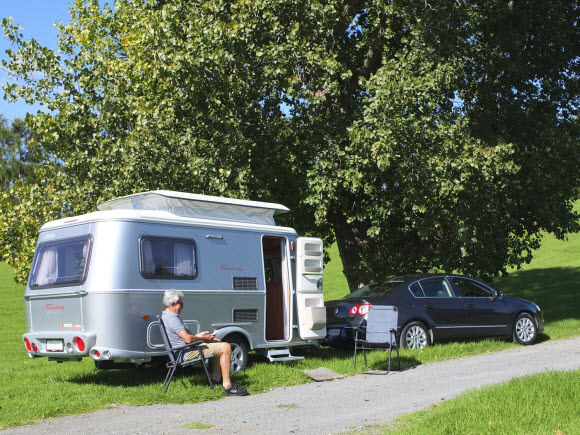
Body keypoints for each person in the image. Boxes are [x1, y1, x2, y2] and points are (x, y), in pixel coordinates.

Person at [161, 289, 248, 396]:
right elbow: (188, 339)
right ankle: (227, 386)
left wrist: (198, 336)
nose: (183, 307)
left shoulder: (166, 315)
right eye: (181, 304)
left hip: (182, 350)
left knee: (217, 342)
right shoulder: (172, 318)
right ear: (173, 303)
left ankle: (216, 378)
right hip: (185, 353)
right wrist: (204, 339)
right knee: (226, 347)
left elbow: (185, 338)